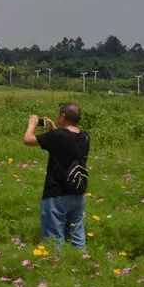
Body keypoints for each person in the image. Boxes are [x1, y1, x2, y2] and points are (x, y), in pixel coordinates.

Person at [23, 102, 90, 248]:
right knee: (76, 236)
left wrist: (32, 124)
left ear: (63, 116)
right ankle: (80, 263)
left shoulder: (57, 136)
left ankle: (56, 267)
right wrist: (54, 129)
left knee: (54, 240)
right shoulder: (85, 137)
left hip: (57, 194)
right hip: (78, 194)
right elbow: (67, 143)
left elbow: (28, 140)